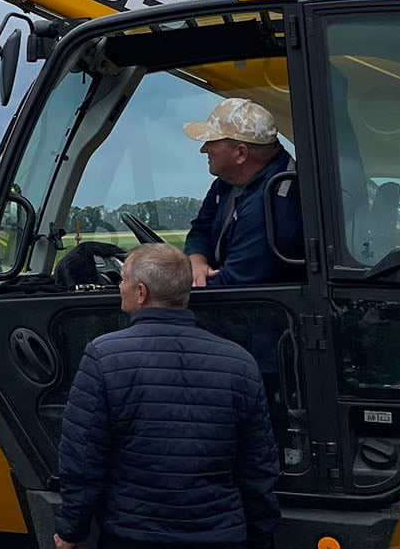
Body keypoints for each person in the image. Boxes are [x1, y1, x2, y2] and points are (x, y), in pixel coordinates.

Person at [53, 243, 281, 549]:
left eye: (123, 280)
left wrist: (71, 530)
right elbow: (258, 467)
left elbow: (83, 459)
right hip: (221, 536)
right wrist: (260, 536)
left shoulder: (103, 357)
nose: (119, 287)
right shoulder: (239, 362)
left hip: (133, 537)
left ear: (142, 292)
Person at [181, 99, 305, 287]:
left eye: (211, 142)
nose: (203, 149)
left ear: (241, 154)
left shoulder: (274, 202)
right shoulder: (228, 181)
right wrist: (196, 261)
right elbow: (201, 229)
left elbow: (236, 282)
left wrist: (181, 287)